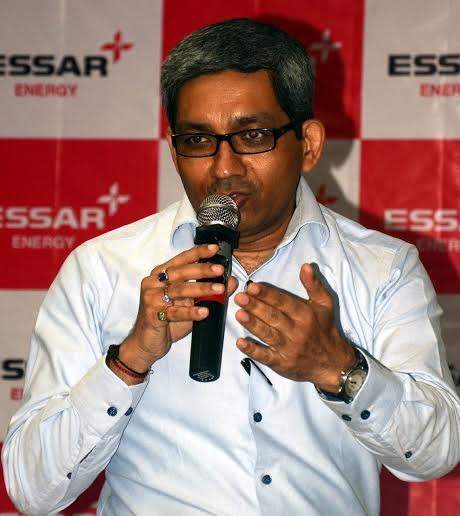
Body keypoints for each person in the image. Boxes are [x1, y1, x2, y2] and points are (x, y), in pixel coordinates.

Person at [2, 18, 460, 516]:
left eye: (253, 136)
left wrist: (339, 368)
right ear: (174, 148)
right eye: (198, 141)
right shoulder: (103, 269)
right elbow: (33, 490)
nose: (223, 168)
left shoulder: (382, 268)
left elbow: (434, 454)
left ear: (308, 144)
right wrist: (129, 361)